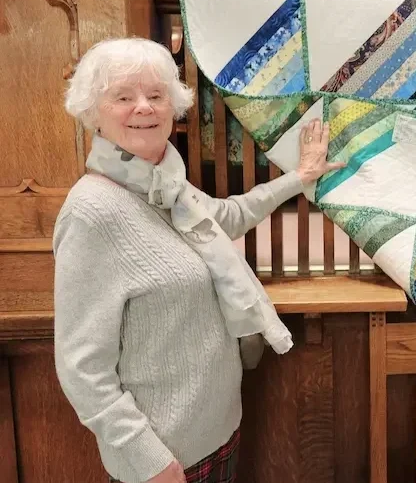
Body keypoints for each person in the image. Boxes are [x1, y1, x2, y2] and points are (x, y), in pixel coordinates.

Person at [53, 37, 344, 483]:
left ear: (173, 107)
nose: (144, 107)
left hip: (219, 430)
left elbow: (227, 216)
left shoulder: (166, 187)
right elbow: (82, 369)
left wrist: (300, 178)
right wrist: (148, 460)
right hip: (163, 460)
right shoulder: (91, 212)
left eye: (156, 94)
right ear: (93, 113)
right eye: (123, 97)